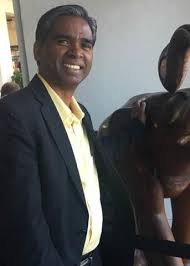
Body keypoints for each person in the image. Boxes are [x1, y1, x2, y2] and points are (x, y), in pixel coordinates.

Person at [0, 5, 135, 266]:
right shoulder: (13, 116)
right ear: (38, 50)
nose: (77, 52)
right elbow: (25, 227)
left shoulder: (80, 112)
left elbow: (94, 183)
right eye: (63, 41)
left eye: (86, 44)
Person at [99, 24, 190, 266]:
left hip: (159, 149)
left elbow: (182, 233)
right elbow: (155, 216)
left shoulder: (182, 151)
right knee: (143, 245)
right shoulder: (138, 150)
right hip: (136, 156)